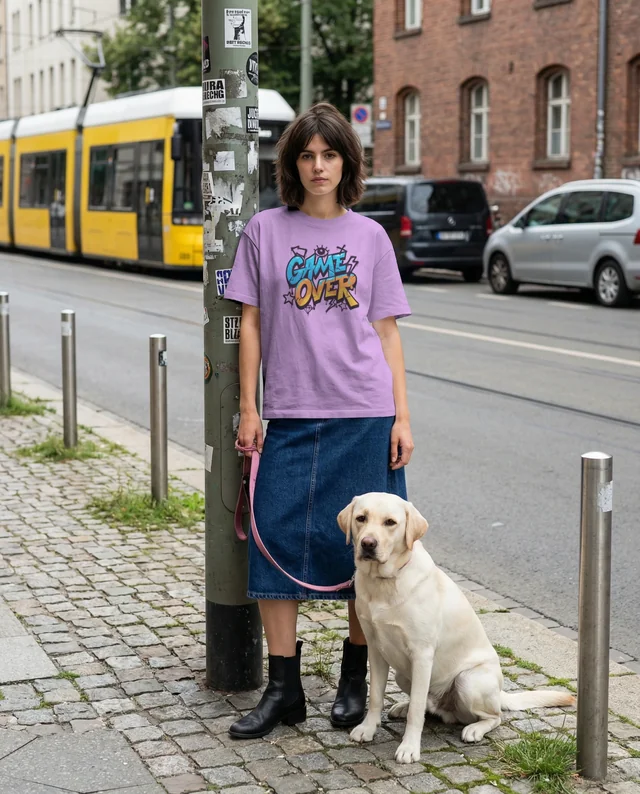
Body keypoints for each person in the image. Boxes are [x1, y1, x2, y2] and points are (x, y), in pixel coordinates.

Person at [224, 102, 414, 740]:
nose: (318, 166)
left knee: (371, 550)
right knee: (273, 542)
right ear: (292, 164)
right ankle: (284, 689)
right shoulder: (264, 231)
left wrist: (401, 418)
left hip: (364, 412)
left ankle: (355, 679)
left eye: (329, 155)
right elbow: (250, 322)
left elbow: (386, 334)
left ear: (346, 162)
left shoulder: (370, 239)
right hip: (291, 412)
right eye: (306, 155)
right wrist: (250, 408)